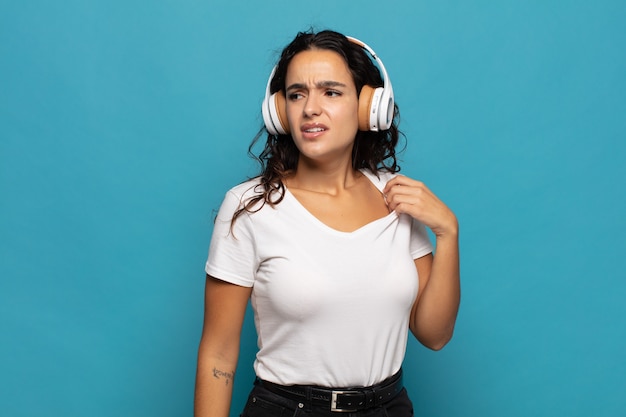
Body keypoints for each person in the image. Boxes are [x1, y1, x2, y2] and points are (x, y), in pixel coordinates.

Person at [194, 29, 460, 417]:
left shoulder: (396, 197)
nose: (310, 108)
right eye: (296, 93)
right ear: (280, 110)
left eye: (331, 92)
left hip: (389, 407)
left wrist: (447, 232)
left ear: (369, 105)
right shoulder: (250, 207)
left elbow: (434, 335)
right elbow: (218, 353)